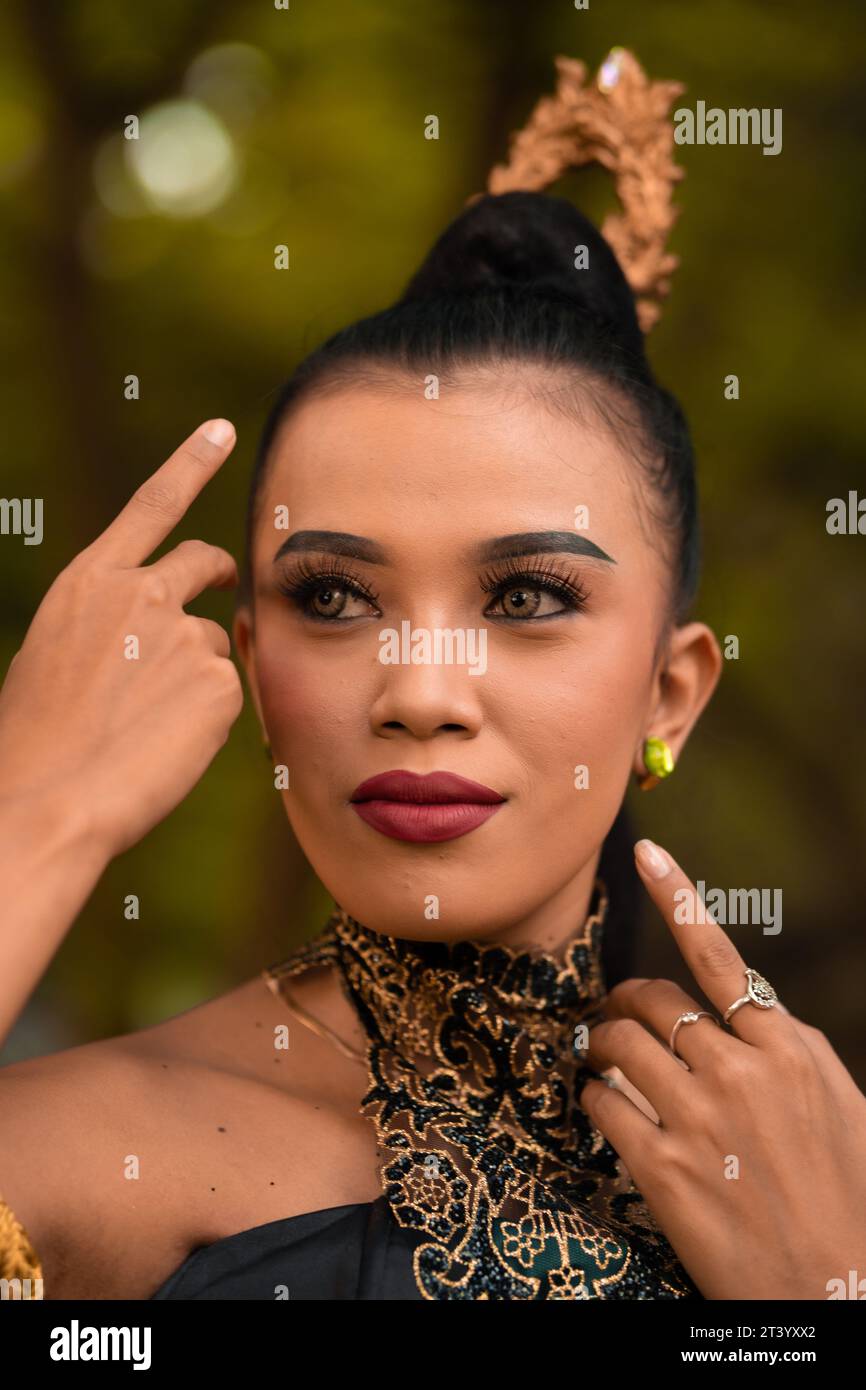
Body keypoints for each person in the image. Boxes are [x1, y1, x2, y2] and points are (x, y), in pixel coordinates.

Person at [1, 49, 865, 1303]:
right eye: (334, 598)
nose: (418, 689)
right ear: (251, 661)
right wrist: (35, 808)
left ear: (668, 694)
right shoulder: (84, 1150)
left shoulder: (816, 1166)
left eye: (524, 598)